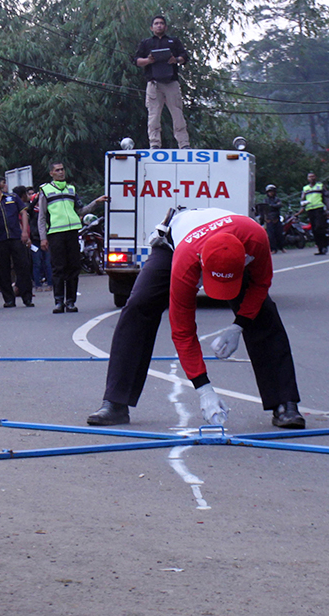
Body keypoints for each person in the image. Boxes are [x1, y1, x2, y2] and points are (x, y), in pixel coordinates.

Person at [86, 207, 305, 429]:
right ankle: (115, 402)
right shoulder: (185, 260)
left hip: (229, 241)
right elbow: (182, 330)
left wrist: (239, 325)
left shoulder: (256, 239)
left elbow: (260, 284)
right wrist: (204, 389)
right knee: (138, 306)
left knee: (264, 314)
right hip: (175, 244)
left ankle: (285, 403)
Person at [37, 162, 108, 314]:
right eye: (57, 170)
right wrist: (43, 237)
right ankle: (58, 301)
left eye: (62, 169)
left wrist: (96, 202)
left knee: (73, 268)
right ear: (51, 173)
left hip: (72, 233)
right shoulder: (45, 190)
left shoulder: (71, 189)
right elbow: (41, 217)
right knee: (58, 268)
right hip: (55, 234)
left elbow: (81, 210)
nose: (61, 172)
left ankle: (70, 302)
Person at [135, 14, 190, 149]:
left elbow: (184, 56)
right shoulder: (146, 43)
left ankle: (184, 144)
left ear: (165, 26)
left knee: (177, 114)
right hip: (154, 84)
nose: (159, 25)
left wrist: (175, 60)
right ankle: (154, 144)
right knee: (153, 115)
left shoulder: (173, 41)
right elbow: (136, 60)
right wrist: (148, 61)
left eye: (161, 23)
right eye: (156, 23)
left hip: (171, 82)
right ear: (152, 27)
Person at [0, 177, 33, 308]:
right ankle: (9, 299)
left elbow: (23, 213)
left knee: (22, 266)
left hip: (15, 236)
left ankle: (27, 296)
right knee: (3, 269)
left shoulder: (12, 197)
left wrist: (24, 232)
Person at [301, 172, 329, 255]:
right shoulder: (305, 188)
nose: (311, 178)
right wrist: (303, 205)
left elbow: (326, 197)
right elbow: (302, 199)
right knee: (314, 229)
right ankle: (320, 248)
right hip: (310, 210)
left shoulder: (320, 186)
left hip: (319, 209)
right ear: (307, 179)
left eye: (313, 176)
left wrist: (328, 209)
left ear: (315, 177)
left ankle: (324, 245)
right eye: (310, 177)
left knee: (319, 227)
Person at [259, 184, 284, 253]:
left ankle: (281, 247)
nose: (271, 193)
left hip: (276, 218)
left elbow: (279, 205)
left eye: (272, 191)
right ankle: (273, 249)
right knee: (271, 235)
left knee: (279, 234)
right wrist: (264, 218)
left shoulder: (277, 199)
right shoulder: (265, 200)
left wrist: (271, 206)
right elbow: (264, 208)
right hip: (269, 219)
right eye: (269, 192)